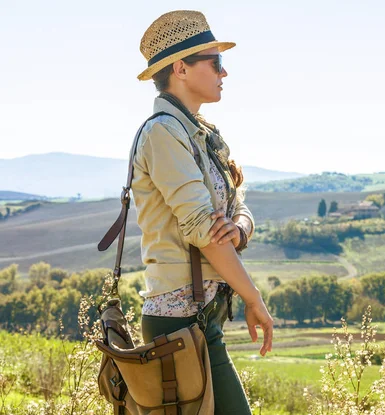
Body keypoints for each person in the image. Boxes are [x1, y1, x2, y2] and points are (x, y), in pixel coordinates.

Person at [132, 10, 273, 414]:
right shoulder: (163, 132)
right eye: (216, 63)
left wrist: (241, 229)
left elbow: (237, 204)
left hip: (201, 319)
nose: (224, 73)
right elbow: (203, 231)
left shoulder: (202, 132)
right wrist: (254, 298)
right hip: (176, 322)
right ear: (180, 68)